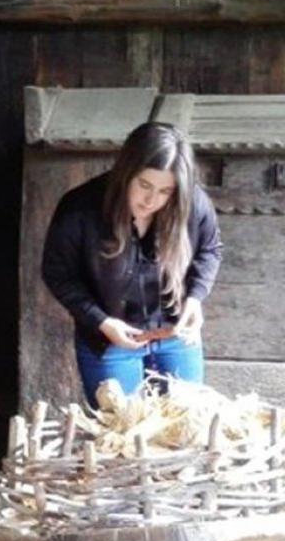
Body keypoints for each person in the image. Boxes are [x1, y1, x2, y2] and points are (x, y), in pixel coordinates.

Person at [41, 122, 222, 407]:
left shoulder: (193, 203)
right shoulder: (80, 207)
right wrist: (101, 321)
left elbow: (210, 251)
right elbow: (57, 272)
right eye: (144, 185)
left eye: (165, 191)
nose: (151, 200)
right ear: (126, 172)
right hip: (110, 340)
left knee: (186, 423)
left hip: (176, 335)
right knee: (121, 429)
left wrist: (195, 298)